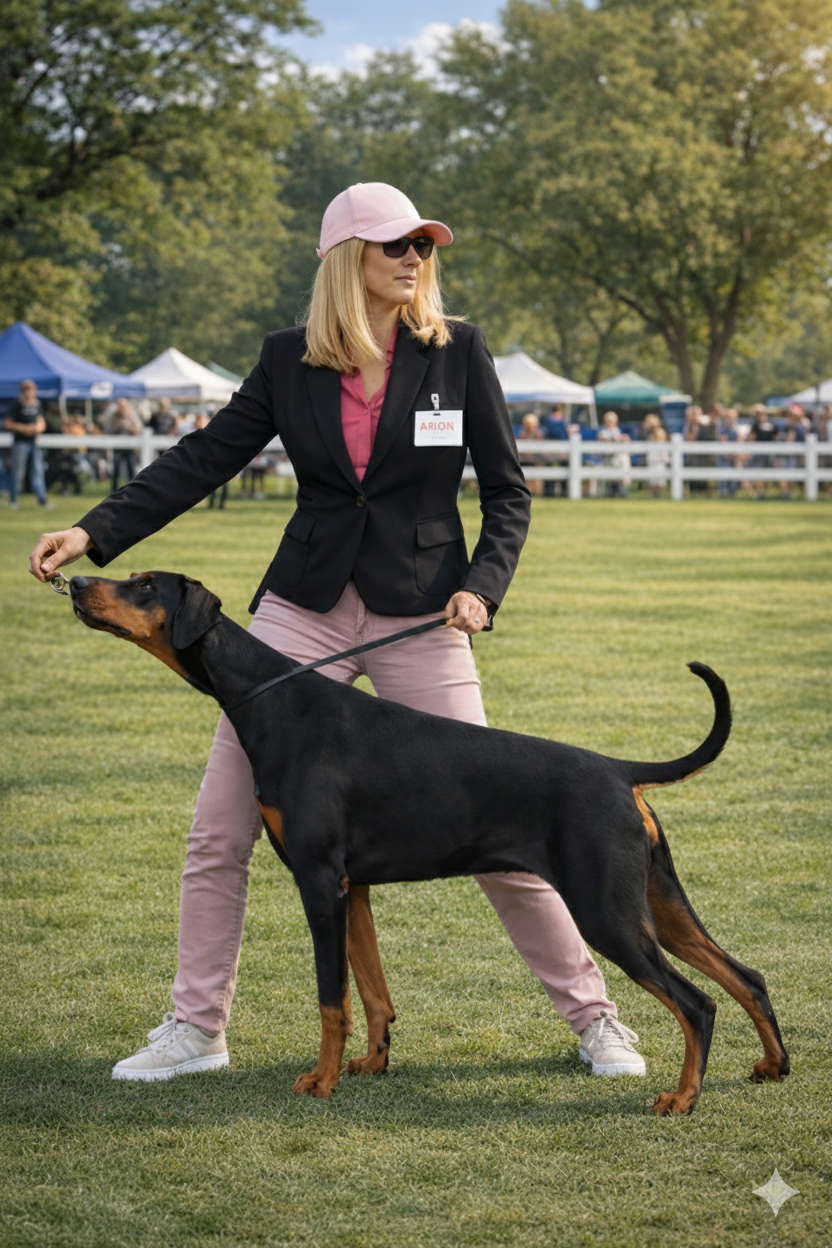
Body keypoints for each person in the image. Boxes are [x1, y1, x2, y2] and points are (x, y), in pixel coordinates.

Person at [29, 182, 645, 1083]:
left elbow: (507, 492)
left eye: (423, 246)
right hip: (301, 612)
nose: (413, 258)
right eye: (394, 243)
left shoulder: (459, 351)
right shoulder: (289, 360)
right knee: (219, 830)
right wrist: (94, 533)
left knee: (508, 828)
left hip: (425, 611)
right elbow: (204, 457)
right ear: (344, 256)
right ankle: (197, 1031)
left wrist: (483, 588)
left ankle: (596, 1020)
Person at [4, 380, 54, 509]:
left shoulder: (36, 405)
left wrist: (38, 428)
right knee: (18, 472)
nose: (30, 393)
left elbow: (41, 422)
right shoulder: (17, 405)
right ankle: (14, 500)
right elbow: (7, 423)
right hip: (20, 443)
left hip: (34, 443)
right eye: (27, 390)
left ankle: (42, 500)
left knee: (38, 472)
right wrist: (25, 429)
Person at [102, 398, 143, 492]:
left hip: (130, 447)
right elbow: (108, 430)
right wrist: (120, 427)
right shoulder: (113, 417)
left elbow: (139, 428)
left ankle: (132, 488)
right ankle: (114, 489)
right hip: (118, 447)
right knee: (116, 469)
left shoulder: (132, 416)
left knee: (131, 468)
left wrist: (131, 429)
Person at [597, 410, 630, 497]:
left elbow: (625, 440)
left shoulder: (619, 430)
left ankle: (622, 492)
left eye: (611, 421)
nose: (609, 423)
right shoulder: (603, 431)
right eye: (608, 420)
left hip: (619, 456)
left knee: (623, 471)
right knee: (611, 475)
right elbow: (603, 439)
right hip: (608, 456)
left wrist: (623, 439)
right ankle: (612, 491)